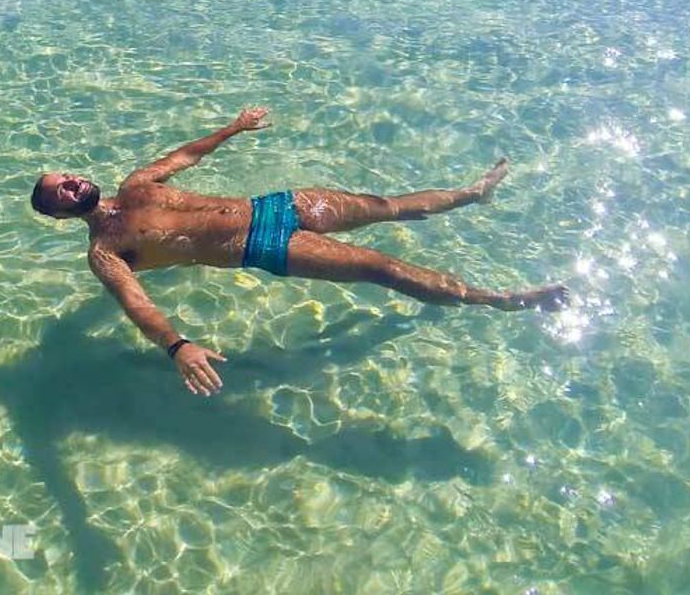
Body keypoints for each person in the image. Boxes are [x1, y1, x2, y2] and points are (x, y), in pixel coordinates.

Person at [30, 108, 568, 397]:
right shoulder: (106, 251)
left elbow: (185, 155)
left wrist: (235, 128)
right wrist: (177, 347)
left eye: (69, 176)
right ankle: (501, 299)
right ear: (59, 215)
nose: (73, 183)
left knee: (390, 206)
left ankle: (475, 192)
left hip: (280, 205)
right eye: (62, 191)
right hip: (261, 243)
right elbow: (136, 305)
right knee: (381, 268)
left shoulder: (139, 181)